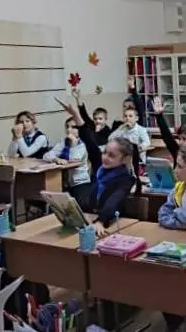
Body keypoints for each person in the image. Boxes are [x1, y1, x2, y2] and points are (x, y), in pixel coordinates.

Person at [56, 98, 135, 236]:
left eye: (111, 155)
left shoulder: (126, 179)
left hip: (112, 222)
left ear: (124, 159)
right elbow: (89, 141)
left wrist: (101, 221)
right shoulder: (101, 166)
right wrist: (75, 115)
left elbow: (113, 202)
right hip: (90, 217)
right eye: (105, 153)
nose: (105, 157)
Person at [43, 117, 91, 193]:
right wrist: (56, 159)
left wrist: (74, 143)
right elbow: (46, 155)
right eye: (67, 127)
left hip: (80, 183)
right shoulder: (64, 142)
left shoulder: (82, 144)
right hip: (65, 183)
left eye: (73, 127)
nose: (69, 130)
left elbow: (73, 161)